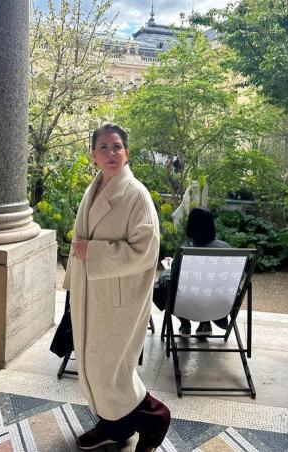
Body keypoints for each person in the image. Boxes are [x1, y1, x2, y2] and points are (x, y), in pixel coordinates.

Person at [63, 123, 170, 452]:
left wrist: (94, 252)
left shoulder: (136, 194)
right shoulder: (94, 188)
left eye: (117, 147)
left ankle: (155, 417)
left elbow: (146, 251)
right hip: (91, 294)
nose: (111, 153)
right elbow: (80, 241)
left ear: (127, 152)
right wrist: (73, 283)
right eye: (104, 147)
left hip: (120, 299)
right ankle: (115, 425)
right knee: (92, 364)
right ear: (94, 155)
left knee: (111, 369)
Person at [169, 206, 231, 339]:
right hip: (218, 304)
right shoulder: (226, 248)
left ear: (190, 226)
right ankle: (205, 323)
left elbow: (173, 278)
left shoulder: (184, 250)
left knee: (165, 283)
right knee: (207, 289)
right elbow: (236, 279)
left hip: (186, 304)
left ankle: (185, 324)